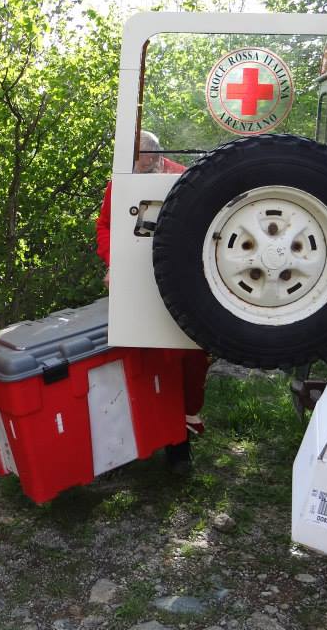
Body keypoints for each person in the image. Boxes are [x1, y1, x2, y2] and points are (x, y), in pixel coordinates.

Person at [96, 130, 209, 472]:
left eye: (147, 165)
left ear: (159, 157)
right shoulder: (123, 180)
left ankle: (179, 445)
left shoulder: (184, 179)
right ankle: (141, 438)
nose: (142, 172)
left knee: (186, 359)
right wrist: (114, 262)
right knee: (145, 361)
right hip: (136, 281)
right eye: (137, 166)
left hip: (180, 283)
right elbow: (105, 226)